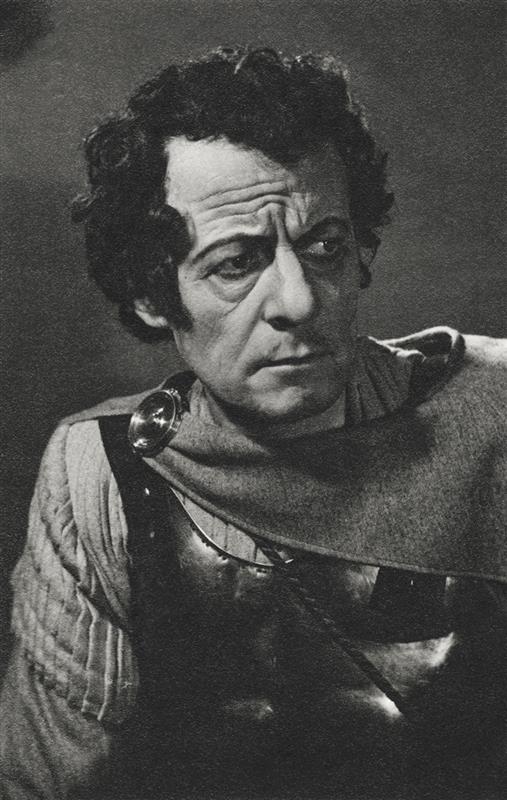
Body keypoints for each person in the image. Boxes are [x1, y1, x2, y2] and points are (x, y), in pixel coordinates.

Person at [0, 46, 505, 800]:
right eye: (236, 264)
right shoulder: (100, 471)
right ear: (151, 296)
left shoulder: (494, 408)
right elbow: (46, 781)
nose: (298, 301)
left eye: (325, 247)